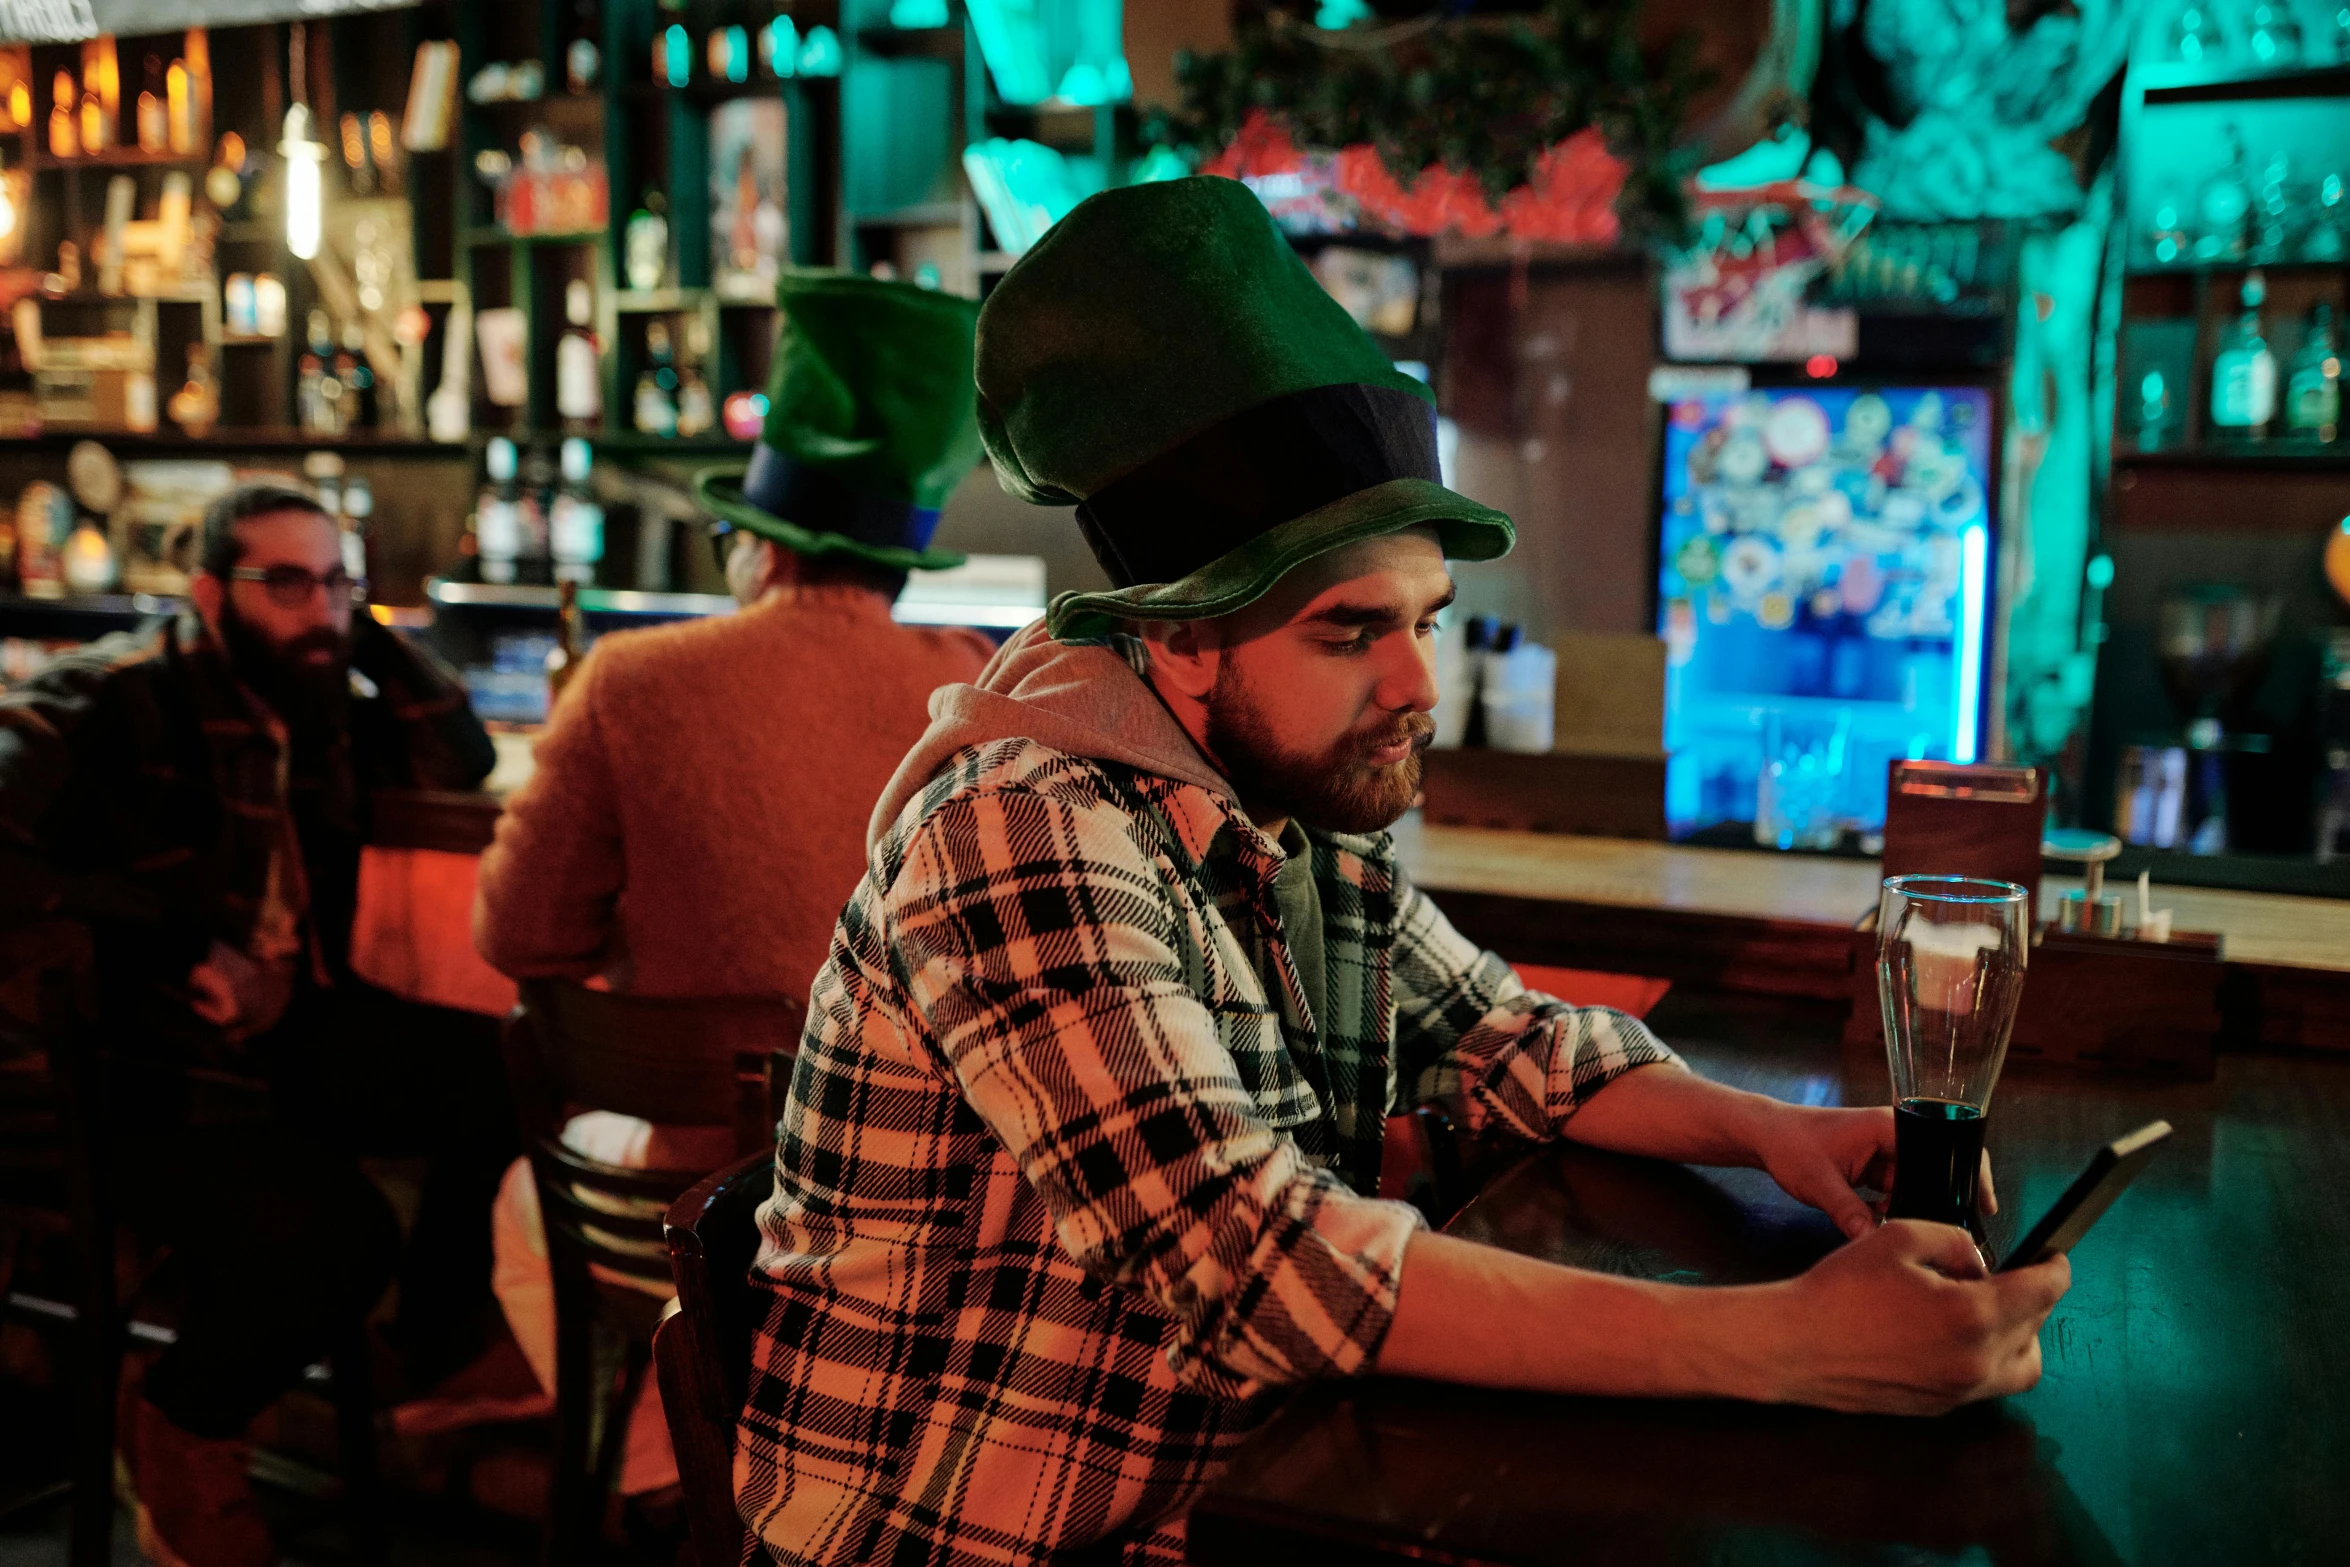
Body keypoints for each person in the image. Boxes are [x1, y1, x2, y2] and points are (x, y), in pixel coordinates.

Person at [731, 177, 2072, 1567]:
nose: (1416, 682)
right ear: (1180, 637)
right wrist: (1787, 1343)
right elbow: (1250, 1261)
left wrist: (1772, 1132)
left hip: (1222, 1473)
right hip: (972, 1522)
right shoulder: (1024, 826)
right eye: (1347, 630)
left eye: (1426, 617)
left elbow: (1509, 1039)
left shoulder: (1289, 806)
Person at [473, 270, 995, 1498]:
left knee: (517, 1196)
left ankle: (678, 1485)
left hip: (702, 1192)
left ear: (755, 543)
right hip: (926, 1209)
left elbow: (516, 932)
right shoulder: (974, 692)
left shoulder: (630, 678)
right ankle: (760, 1486)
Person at [0, 481, 504, 1567]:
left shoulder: (314, 701)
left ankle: (432, 1348)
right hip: (124, 1069)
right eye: (284, 583)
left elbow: (458, 757)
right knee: (341, 1235)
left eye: (336, 581)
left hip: (271, 1042)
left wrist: (350, 625)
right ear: (205, 595)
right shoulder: (117, 697)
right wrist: (168, 948)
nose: (316, 609)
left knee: (504, 1069)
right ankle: (181, 1419)